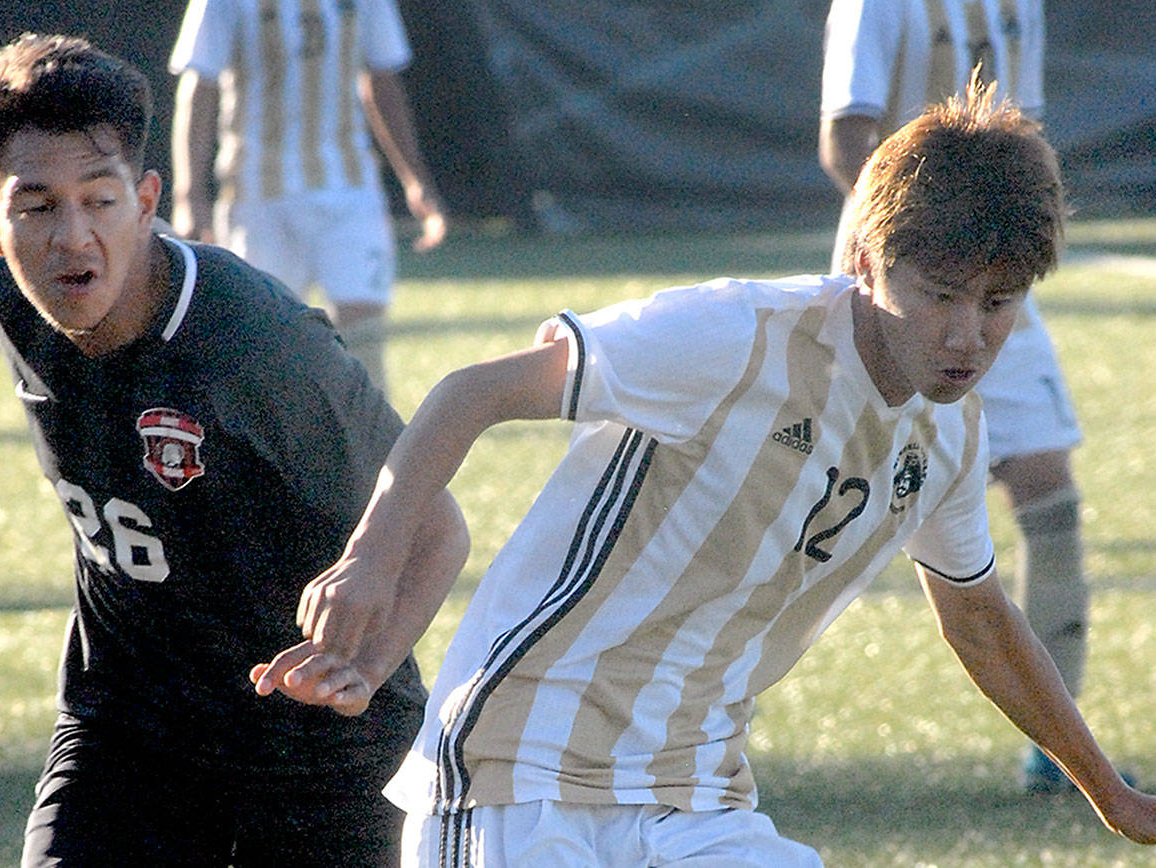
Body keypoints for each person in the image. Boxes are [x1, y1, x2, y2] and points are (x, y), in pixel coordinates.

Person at [251, 81, 1156, 866]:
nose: (968, 335)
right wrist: (369, 559)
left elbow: (979, 619)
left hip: (696, 800)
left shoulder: (949, 435)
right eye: (940, 294)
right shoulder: (738, 338)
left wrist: (1111, 795)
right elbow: (471, 392)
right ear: (866, 262)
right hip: (521, 775)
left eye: (999, 303)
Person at [0, 33, 468, 866]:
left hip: (321, 752)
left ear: (146, 202)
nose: (73, 237)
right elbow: (14, 297)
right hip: (127, 730)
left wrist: (369, 665)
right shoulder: (10, 286)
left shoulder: (251, 340)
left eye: (100, 200)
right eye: (37, 207)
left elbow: (438, 527)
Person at [818, 0, 1090, 793]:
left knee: (1052, 499)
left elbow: (1024, 135)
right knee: (809, 508)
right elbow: (845, 138)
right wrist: (923, 257)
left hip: (995, 291)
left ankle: (1059, 757)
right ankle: (706, 717)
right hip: (908, 291)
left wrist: (1011, 253)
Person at [168, 0, 447, 393]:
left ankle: (362, 434)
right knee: (263, 351)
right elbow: (200, 86)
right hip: (257, 198)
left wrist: (414, 178)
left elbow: (381, 81)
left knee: (362, 345)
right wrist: (189, 194)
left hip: (350, 192)